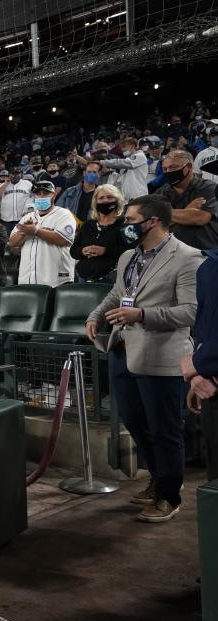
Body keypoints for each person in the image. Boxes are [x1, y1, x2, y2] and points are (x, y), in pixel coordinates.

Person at [86, 195, 203, 522]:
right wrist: (95, 315)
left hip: (162, 356)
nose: (125, 225)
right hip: (123, 352)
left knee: (165, 429)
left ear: (152, 221)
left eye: (130, 219)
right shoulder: (127, 256)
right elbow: (114, 293)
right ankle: (156, 478)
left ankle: (169, 495)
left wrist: (142, 314)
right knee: (134, 421)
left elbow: (190, 311)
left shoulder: (188, 258)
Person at [182, 246, 218, 478]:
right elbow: (206, 324)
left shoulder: (212, 266)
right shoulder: (210, 264)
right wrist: (200, 371)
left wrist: (198, 366)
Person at [9, 181, 77, 287]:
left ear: (54, 196)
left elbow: (64, 239)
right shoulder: (27, 217)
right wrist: (24, 232)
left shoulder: (64, 214)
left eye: (45, 193)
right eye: (38, 194)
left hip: (56, 279)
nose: (41, 196)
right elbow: (13, 242)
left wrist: (36, 231)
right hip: (27, 278)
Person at [155, 150, 218, 250]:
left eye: (173, 167)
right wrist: (187, 211)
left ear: (189, 166)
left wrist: (162, 214)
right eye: (164, 169)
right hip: (171, 253)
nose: (168, 172)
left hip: (204, 253)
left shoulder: (208, 187)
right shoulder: (161, 192)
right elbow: (154, 224)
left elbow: (200, 218)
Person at [70, 184, 127, 283]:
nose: (105, 201)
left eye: (109, 197)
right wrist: (83, 251)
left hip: (111, 279)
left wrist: (105, 251)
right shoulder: (87, 225)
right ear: (96, 202)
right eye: (101, 198)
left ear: (117, 201)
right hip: (83, 278)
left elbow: (128, 252)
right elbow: (73, 251)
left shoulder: (124, 225)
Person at [99, 137, 149, 201]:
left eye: (124, 146)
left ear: (132, 147)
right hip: (127, 200)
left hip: (139, 197)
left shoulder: (140, 156)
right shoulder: (125, 163)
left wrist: (102, 162)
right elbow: (121, 181)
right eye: (121, 147)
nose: (122, 149)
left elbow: (120, 162)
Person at [0, 168, 32, 234]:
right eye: (13, 173)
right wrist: (5, 184)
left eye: (18, 173)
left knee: (21, 240)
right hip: (5, 220)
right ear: (9, 174)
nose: (15, 175)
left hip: (22, 219)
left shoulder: (27, 184)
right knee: (6, 240)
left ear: (21, 174)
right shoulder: (3, 184)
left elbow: (33, 198)